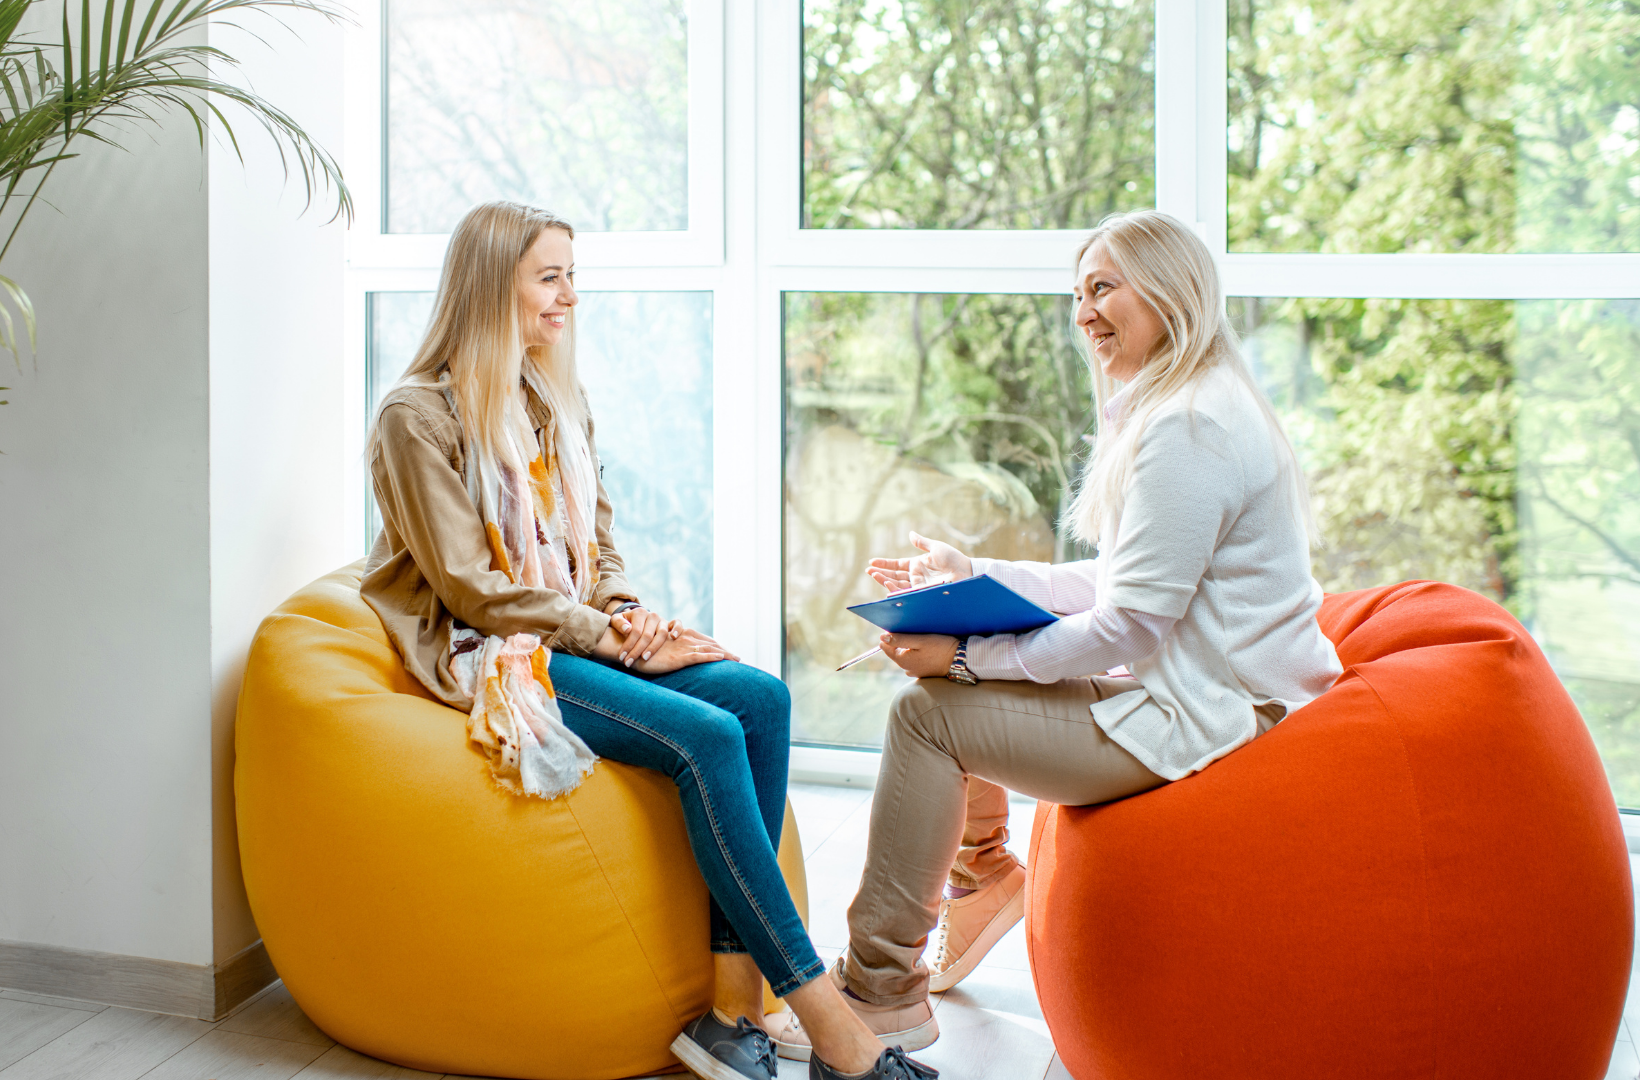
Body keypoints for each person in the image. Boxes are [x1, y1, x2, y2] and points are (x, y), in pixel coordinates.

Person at [361, 201, 935, 1080]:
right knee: (705, 736)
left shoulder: (552, 397)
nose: (569, 298)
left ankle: (733, 1011)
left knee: (760, 697)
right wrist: (613, 641)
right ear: (490, 286)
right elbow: (473, 589)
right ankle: (833, 1029)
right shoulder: (416, 415)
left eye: (571, 277)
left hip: (566, 631)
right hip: (494, 652)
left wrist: (628, 614)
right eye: (550, 277)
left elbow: (596, 547)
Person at [792, 209, 1344, 1049]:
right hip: (1193, 696)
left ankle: (880, 992)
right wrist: (972, 579)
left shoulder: (1188, 429)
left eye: (1102, 288)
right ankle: (982, 878)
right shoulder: (1185, 405)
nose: (1083, 312)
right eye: (1077, 294)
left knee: (928, 714)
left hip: (1214, 723)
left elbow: (1126, 624)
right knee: (941, 679)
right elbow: (1126, 584)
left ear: (1170, 290)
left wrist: (974, 657)